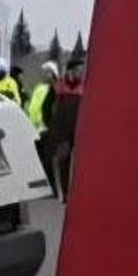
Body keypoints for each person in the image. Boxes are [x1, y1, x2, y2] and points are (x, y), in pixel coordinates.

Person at [49, 59, 85, 202]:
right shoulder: (60, 86)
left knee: (80, 163)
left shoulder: (84, 86)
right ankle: (65, 194)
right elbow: (52, 107)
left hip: (79, 129)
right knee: (64, 161)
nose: (81, 73)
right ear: (70, 70)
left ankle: (80, 193)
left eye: (82, 70)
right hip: (63, 130)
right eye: (78, 70)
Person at [27, 61, 60, 185]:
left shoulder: (56, 88)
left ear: (53, 74)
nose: (45, 74)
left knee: (48, 159)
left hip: (48, 128)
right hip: (37, 129)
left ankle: (52, 186)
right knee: (39, 158)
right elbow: (32, 108)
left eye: (48, 72)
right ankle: (45, 184)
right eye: (44, 72)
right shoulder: (39, 88)